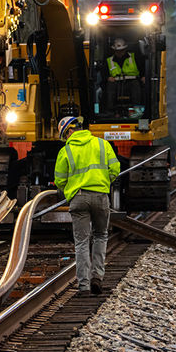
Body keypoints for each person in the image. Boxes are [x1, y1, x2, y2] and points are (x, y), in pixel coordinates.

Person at [52, 116, 120, 295]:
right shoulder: (102, 144)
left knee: (81, 242)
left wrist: (70, 189)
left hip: (79, 198)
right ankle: (97, 276)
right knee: (101, 236)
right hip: (100, 197)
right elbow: (115, 170)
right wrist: (104, 182)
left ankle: (84, 285)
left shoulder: (66, 151)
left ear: (69, 131)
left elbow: (59, 180)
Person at [106, 37, 144, 118]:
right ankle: (111, 112)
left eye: (121, 50)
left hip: (132, 81)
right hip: (116, 82)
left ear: (125, 49)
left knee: (136, 86)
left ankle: (136, 112)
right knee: (110, 87)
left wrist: (143, 76)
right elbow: (104, 72)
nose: (119, 53)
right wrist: (108, 77)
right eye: (117, 51)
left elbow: (142, 68)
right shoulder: (109, 60)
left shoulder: (134, 57)